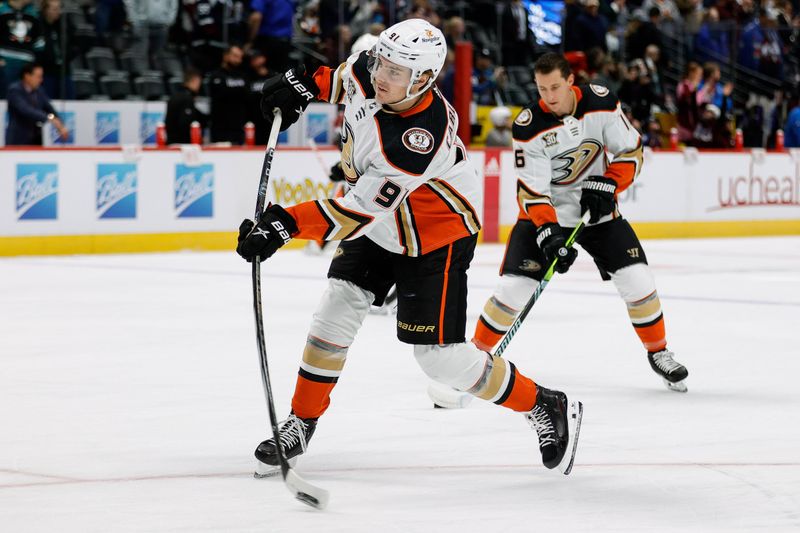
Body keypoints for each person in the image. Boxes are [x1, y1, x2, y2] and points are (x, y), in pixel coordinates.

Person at [235, 19, 583, 477]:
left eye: (396, 72)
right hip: (382, 229)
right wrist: (301, 84)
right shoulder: (373, 70)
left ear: (423, 80)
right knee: (334, 312)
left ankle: (543, 403)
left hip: (435, 236)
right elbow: (343, 78)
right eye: (383, 63)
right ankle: (300, 422)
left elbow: (355, 211)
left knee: (439, 360)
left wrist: (283, 224)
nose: (382, 75)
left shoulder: (417, 138)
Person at [471, 53, 689, 393]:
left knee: (638, 280)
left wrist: (610, 182)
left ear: (571, 81)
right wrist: (549, 233)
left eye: (555, 87)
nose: (549, 96)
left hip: (597, 211)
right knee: (513, 289)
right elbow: (532, 192)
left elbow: (631, 151)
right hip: (546, 215)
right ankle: (473, 358)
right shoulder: (529, 125)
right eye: (542, 89)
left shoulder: (601, 102)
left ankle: (658, 352)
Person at [5, 62, 68, 145]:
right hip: (18, 141)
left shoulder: (39, 91)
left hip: (36, 140)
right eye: (38, 77)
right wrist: (50, 118)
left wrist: (60, 124)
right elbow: (26, 110)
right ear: (27, 76)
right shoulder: (15, 90)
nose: (41, 80)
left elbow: (49, 109)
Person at [208, 44, 248, 144]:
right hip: (220, 130)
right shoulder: (216, 75)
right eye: (235, 56)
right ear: (226, 56)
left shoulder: (243, 75)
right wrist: (238, 92)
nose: (238, 60)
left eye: (240, 57)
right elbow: (220, 94)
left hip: (239, 129)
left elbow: (247, 95)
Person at [164, 67, 208, 144]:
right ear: (195, 80)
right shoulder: (187, 98)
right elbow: (185, 123)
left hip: (171, 141)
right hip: (181, 144)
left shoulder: (176, 95)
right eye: (199, 82)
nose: (199, 86)